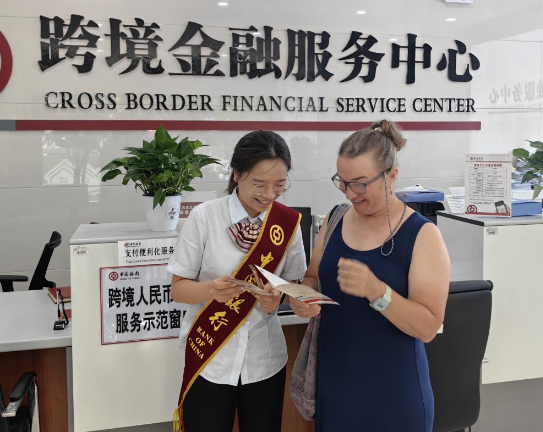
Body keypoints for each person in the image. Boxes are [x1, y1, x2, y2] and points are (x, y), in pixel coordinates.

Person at [291, 120, 450, 432]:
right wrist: (303, 298)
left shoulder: (422, 235)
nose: (350, 193)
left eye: (360, 184)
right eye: (343, 182)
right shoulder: (335, 218)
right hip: (336, 385)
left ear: (392, 175)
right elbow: (312, 277)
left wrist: (378, 292)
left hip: (393, 394)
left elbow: (428, 326)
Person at [167, 130, 307, 432]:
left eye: (279, 185)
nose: (269, 194)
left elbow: (295, 281)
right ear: (237, 174)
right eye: (259, 183)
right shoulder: (205, 217)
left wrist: (279, 296)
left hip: (264, 359)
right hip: (211, 358)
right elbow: (178, 289)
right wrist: (210, 290)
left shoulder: (287, 223)